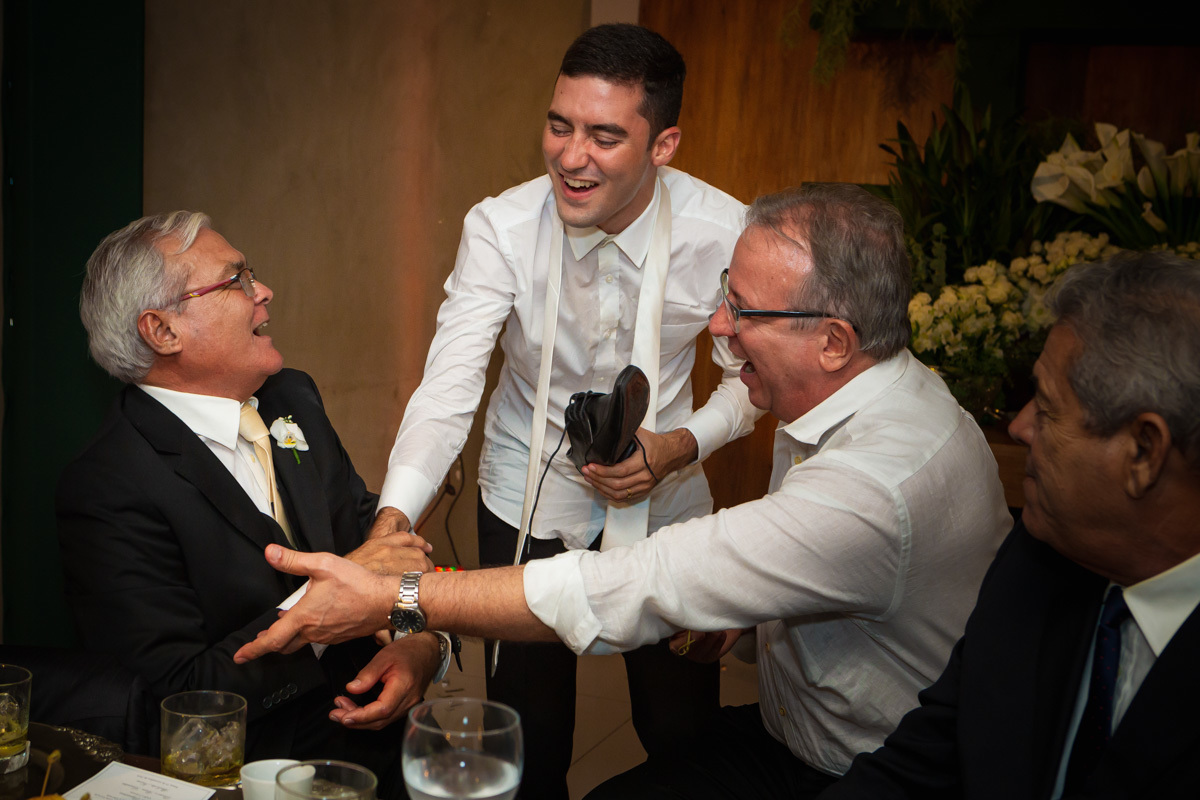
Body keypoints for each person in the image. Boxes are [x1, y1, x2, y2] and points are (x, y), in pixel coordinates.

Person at [236, 184, 1013, 798]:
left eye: (742, 310)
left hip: (864, 768)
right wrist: (763, 609)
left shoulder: (875, 482)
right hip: (802, 732)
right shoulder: (868, 398)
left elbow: (633, 587)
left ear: (835, 341)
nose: (717, 325)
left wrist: (400, 597)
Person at [368, 23, 758, 798]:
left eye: (606, 135)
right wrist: (393, 521)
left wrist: (682, 444)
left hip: (669, 506)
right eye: (560, 125)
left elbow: (750, 377)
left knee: (682, 732)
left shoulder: (726, 232)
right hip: (523, 497)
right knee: (530, 741)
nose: (571, 156)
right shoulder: (501, 229)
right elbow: (449, 385)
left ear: (664, 144)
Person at [57, 212, 443, 794]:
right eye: (234, 280)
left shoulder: (293, 399)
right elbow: (175, 698)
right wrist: (327, 603)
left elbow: (381, 549)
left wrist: (419, 642)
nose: (263, 292)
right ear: (162, 331)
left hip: (383, 748)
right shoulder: (109, 485)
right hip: (252, 773)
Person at [815, 250, 1200, 799]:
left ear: (1143, 452)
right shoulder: (1039, 558)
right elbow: (923, 765)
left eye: (1045, 408)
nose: (1019, 428)